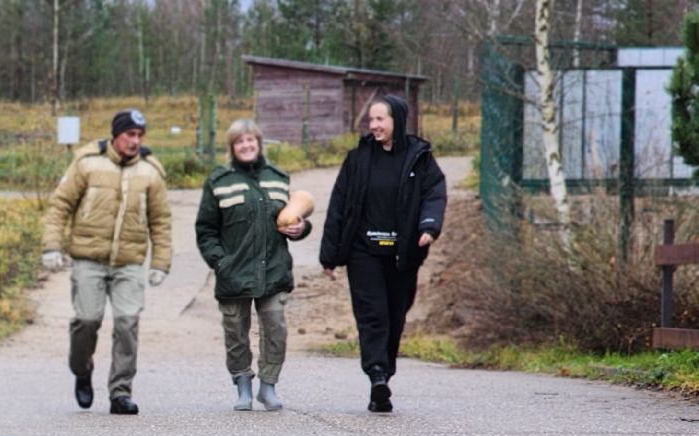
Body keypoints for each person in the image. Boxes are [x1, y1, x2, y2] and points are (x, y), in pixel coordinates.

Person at [318, 93, 447, 413]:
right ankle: (376, 375)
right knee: (372, 315)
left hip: (404, 252)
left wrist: (429, 227)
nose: (373, 125)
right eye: (371, 119)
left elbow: (435, 194)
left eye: (380, 119)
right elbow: (338, 206)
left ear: (397, 121)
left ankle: (384, 374)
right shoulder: (358, 159)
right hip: (364, 252)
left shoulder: (420, 157)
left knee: (395, 315)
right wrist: (329, 254)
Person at [42, 108, 172, 415]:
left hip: (129, 261)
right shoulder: (87, 163)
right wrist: (51, 246)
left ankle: (120, 392)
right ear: (116, 135)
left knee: (127, 322)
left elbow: (161, 220)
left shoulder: (150, 171)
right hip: (89, 258)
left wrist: (160, 263)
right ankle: (82, 369)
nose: (135, 141)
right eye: (129, 134)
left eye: (140, 136)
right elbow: (60, 205)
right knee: (87, 320)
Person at [195, 118, 311, 412]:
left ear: (259, 144)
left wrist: (302, 228)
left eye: (251, 140)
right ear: (232, 147)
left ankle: (268, 386)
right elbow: (206, 229)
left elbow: (292, 219)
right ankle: (242, 384)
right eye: (239, 141)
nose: (246, 145)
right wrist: (219, 262)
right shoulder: (219, 181)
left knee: (275, 328)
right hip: (233, 272)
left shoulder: (277, 177)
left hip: (273, 268)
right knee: (235, 332)